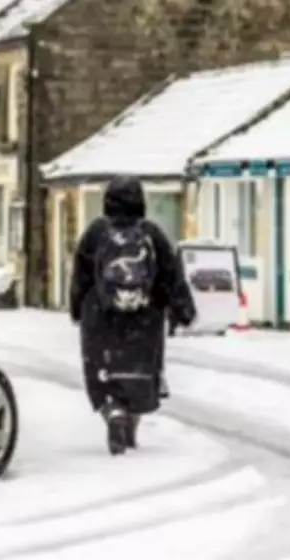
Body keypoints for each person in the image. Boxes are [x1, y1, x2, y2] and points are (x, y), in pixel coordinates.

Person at [69, 175, 196, 455]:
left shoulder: (96, 233)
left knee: (104, 375)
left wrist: (78, 307)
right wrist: (183, 309)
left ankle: (113, 412)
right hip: (145, 319)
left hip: (101, 319)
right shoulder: (152, 234)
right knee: (138, 376)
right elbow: (171, 274)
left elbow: (81, 275)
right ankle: (130, 428)